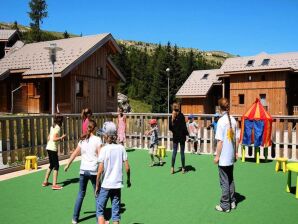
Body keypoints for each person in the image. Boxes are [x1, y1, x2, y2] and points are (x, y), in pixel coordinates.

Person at [64, 119, 102, 224]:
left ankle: (74, 218)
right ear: (94, 129)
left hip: (83, 171)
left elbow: (75, 153)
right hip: (93, 171)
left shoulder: (82, 140)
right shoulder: (98, 140)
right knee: (97, 194)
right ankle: (99, 219)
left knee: (80, 194)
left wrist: (68, 164)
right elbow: (100, 156)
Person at [95, 121, 131, 224]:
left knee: (100, 211)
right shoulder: (121, 148)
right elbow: (127, 168)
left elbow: (100, 170)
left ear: (106, 136)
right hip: (117, 185)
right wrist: (128, 180)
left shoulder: (104, 149)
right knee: (116, 215)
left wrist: (97, 185)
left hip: (106, 185)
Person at [213, 98, 239, 213]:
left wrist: (217, 156)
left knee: (224, 181)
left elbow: (220, 142)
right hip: (231, 156)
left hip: (223, 157)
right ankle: (232, 201)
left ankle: (225, 205)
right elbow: (237, 139)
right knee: (230, 179)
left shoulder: (221, 121)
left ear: (219, 108)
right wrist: (236, 152)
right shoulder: (233, 120)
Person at [42, 114, 66, 190]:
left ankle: (45, 181)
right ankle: (54, 185)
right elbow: (54, 139)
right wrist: (61, 137)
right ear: (60, 121)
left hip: (48, 147)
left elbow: (49, 137)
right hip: (52, 148)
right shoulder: (58, 128)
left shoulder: (52, 126)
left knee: (51, 165)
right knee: (56, 166)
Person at [169, 102, 189, 174]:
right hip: (182, 137)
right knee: (182, 153)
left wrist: (174, 131)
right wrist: (187, 133)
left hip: (175, 137)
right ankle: (183, 168)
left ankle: (172, 168)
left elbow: (170, 128)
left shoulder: (171, 117)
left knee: (174, 152)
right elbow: (184, 127)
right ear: (179, 108)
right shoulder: (181, 116)